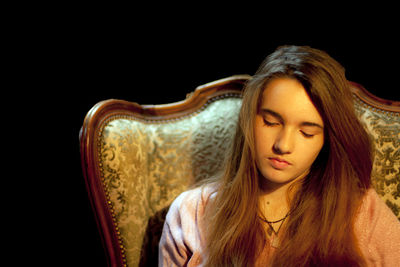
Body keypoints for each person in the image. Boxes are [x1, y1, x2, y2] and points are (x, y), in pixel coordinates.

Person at [158, 45, 400, 266]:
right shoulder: (191, 213)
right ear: (249, 120)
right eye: (271, 122)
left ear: (327, 140)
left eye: (306, 133)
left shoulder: (361, 211)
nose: (283, 145)